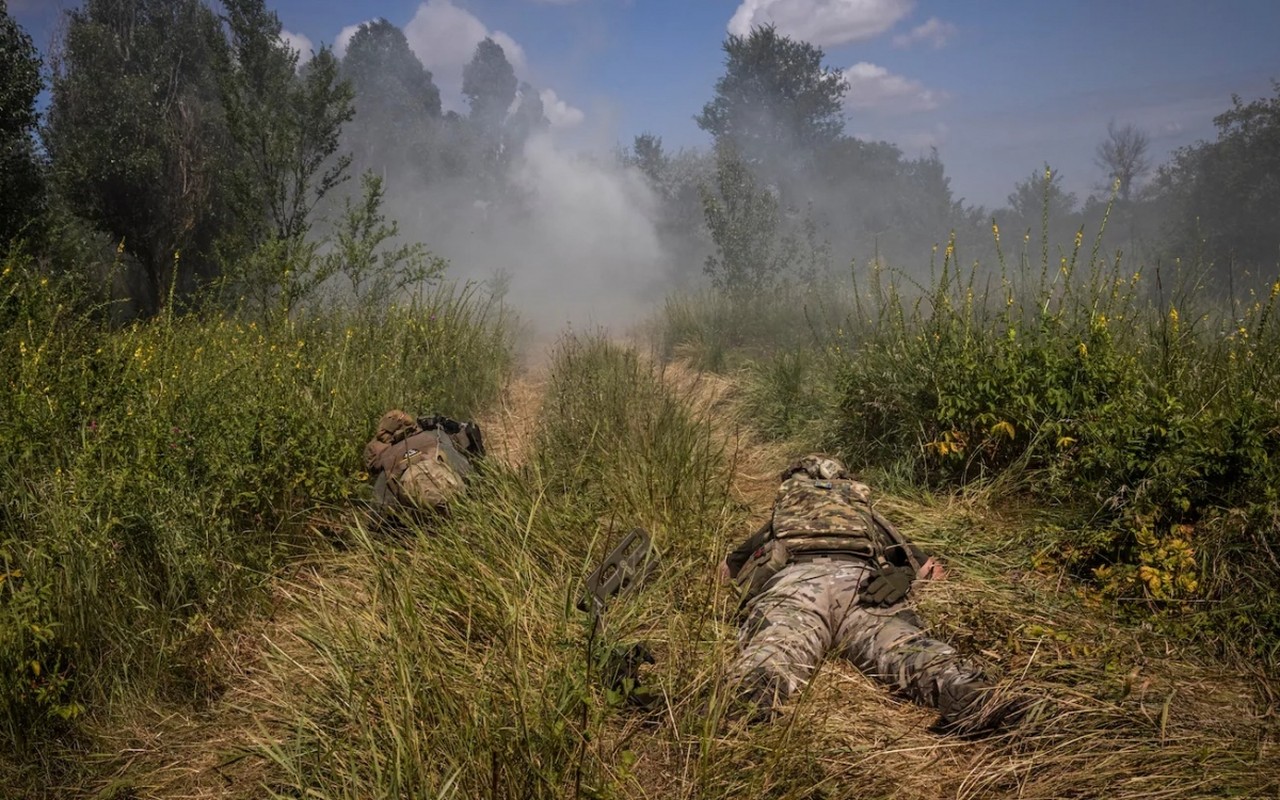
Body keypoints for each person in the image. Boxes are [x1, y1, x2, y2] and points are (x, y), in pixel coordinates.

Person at [720, 454, 1026, 735]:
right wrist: (904, 576)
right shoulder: (866, 516)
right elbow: (933, 572)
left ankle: (744, 704)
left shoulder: (783, 517)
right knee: (905, 649)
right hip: (863, 586)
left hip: (796, 584)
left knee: (774, 653)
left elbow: (726, 572)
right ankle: (967, 691)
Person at [362, 410, 485, 512]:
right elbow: (469, 473)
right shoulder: (434, 437)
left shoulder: (389, 458)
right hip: (455, 499)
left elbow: (378, 512)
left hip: (417, 516)